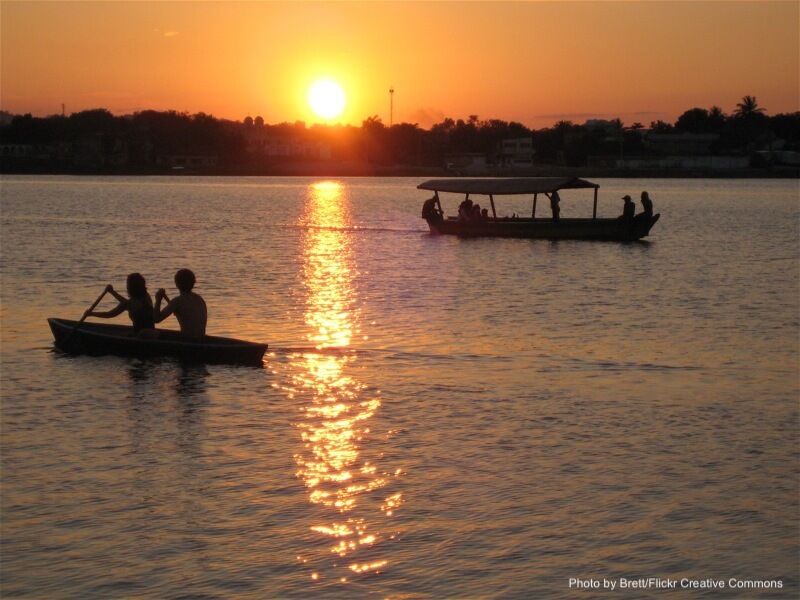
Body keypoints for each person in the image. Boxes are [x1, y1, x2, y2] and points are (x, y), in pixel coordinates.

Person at [84, 273, 155, 333]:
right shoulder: (146, 297)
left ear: (131, 288)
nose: (126, 287)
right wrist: (112, 292)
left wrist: (91, 314)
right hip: (151, 333)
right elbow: (126, 303)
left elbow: (110, 314)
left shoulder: (130, 304)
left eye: (127, 285)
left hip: (140, 336)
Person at [154, 268, 207, 339]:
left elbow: (156, 319)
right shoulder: (200, 299)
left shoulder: (177, 301)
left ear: (177, 284)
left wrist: (158, 299)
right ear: (193, 283)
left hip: (188, 340)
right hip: (201, 339)